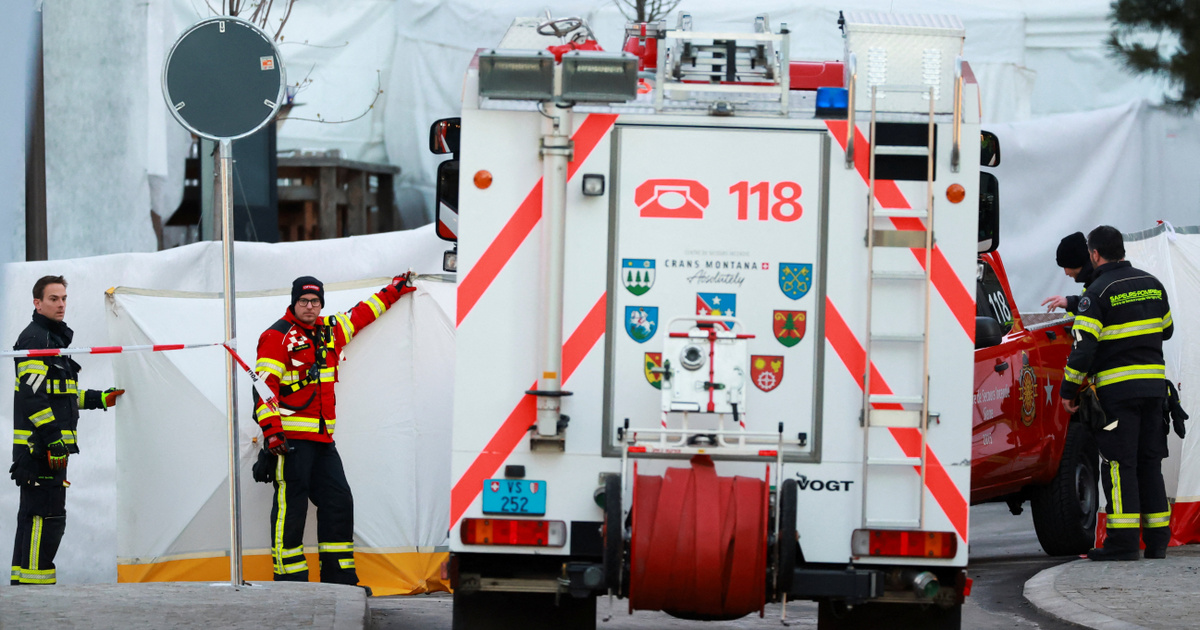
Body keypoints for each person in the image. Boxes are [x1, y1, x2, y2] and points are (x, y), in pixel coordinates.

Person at [253, 274, 416, 584]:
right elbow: (264, 389)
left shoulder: (330, 330)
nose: (310, 307)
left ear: (321, 304)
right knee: (292, 508)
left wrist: (396, 289)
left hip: (323, 440)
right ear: (294, 301)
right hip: (290, 441)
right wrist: (272, 432)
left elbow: (364, 312)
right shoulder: (277, 336)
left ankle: (339, 580)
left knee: (339, 501)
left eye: (315, 302)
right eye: (303, 301)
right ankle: (290, 581)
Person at [1059, 226, 1173, 561]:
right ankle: (1157, 542)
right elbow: (1166, 329)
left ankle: (1122, 543)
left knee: (1118, 465)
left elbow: (1082, 350)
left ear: (1094, 254)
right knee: (1150, 464)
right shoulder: (1152, 284)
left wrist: (1069, 390)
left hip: (1117, 395)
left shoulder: (1095, 293)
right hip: (1154, 390)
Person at [10, 275, 124, 585]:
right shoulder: (37, 339)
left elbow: (61, 395)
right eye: (53, 299)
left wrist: (101, 399)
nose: (60, 304)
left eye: (63, 299)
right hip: (39, 450)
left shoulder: (53, 340)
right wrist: (53, 441)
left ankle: (26, 584)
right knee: (42, 518)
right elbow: (33, 399)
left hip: (49, 448)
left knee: (43, 517)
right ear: (37, 303)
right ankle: (33, 589)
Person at [1042, 231, 1096, 314]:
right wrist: (1069, 302)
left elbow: (1097, 305)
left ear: (1075, 262)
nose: (1066, 273)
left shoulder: (1100, 281)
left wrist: (1070, 302)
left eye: (1065, 267)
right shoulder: (1095, 280)